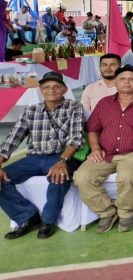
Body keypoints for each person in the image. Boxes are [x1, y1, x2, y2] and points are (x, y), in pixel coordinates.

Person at [74, 65, 133, 233]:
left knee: (127, 176)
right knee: (81, 176)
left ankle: (125, 214)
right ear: (115, 82)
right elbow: (93, 129)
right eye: (122, 79)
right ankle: (106, 212)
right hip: (105, 153)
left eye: (131, 79)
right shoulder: (104, 104)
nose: (127, 82)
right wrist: (94, 148)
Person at [0, 72, 84, 239]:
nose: (51, 90)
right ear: (41, 90)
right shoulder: (31, 110)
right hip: (34, 158)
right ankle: (27, 216)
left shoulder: (74, 107)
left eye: (56, 86)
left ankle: (48, 221)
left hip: (61, 156)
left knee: (59, 175)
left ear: (65, 89)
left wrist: (62, 161)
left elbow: (76, 138)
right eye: (46, 87)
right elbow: (12, 139)